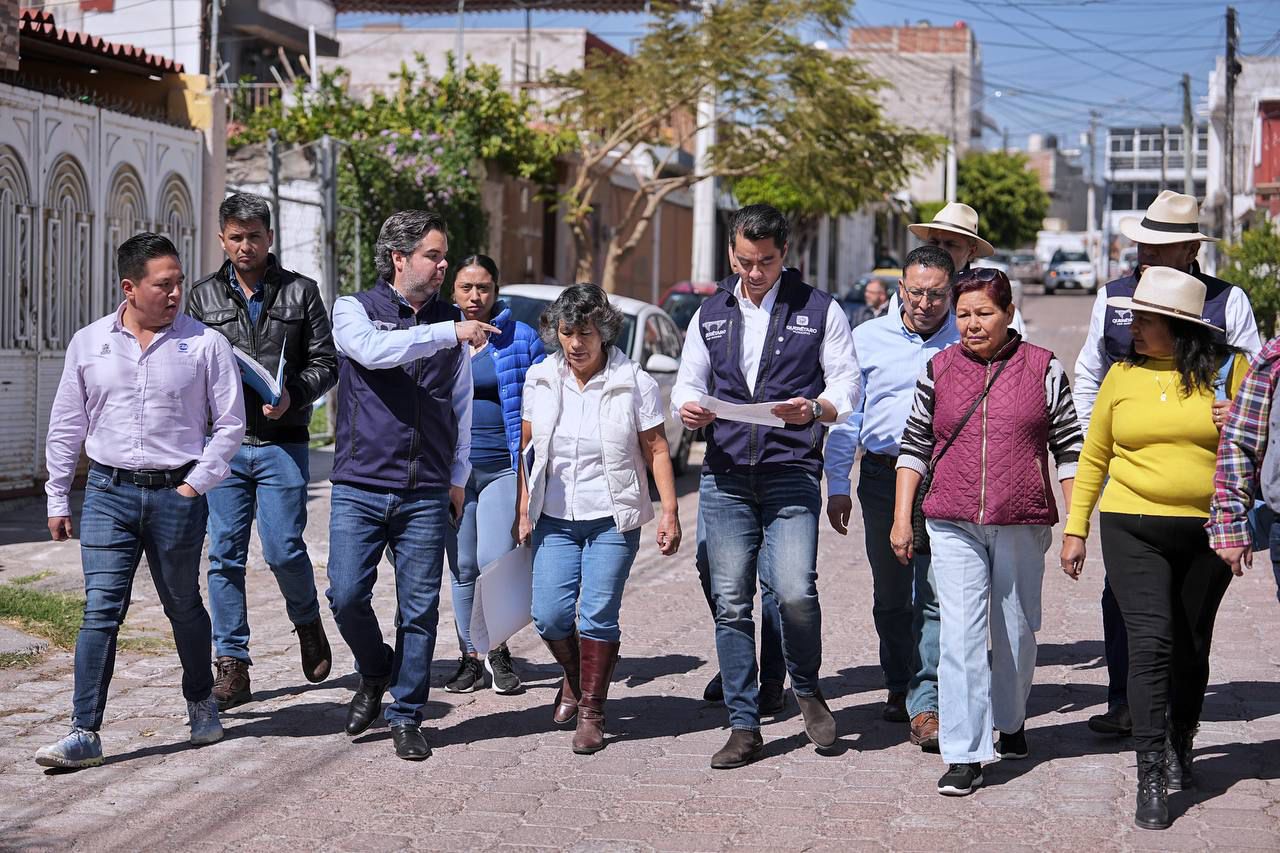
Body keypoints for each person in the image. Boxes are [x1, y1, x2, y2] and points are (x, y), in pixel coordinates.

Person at [36, 233, 246, 769]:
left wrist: (193, 485)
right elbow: (67, 423)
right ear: (130, 288)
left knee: (182, 604)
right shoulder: (88, 342)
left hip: (177, 495)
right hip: (107, 493)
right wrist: (58, 494)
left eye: (178, 282)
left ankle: (202, 703)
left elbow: (229, 426)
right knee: (100, 611)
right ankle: (84, 730)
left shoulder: (205, 344)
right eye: (164, 284)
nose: (177, 292)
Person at [674, 203, 861, 769]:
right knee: (731, 603)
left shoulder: (820, 310)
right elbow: (689, 378)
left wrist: (818, 408)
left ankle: (806, 687)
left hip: (790, 473)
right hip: (726, 476)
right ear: (732, 253)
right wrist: (689, 408)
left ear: (786, 255)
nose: (754, 273)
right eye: (745, 261)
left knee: (795, 590)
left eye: (766, 262)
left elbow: (847, 383)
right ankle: (744, 723)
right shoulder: (709, 313)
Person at [1060, 267, 1244, 830]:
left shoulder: (1228, 374)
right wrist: (1076, 526)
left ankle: (1180, 744)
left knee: (1190, 647)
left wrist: (1234, 422)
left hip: (1205, 530)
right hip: (1130, 522)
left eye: (1143, 319)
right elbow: (1094, 456)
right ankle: (1148, 775)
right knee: (1151, 644)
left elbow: (1262, 444)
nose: (1132, 326)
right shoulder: (1121, 374)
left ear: (1178, 326)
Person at [1072, 189, 1260, 737]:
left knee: (1187, 615)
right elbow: (1089, 371)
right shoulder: (1113, 297)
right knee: (1122, 595)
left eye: (1158, 246)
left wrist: (1239, 411)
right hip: (1130, 476)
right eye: (1141, 244)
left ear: (1188, 251)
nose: (1145, 254)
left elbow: (1256, 382)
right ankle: (1125, 698)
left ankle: (1176, 709)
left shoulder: (1229, 302)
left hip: (1205, 482)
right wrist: (1101, 435)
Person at [891, 268, 1083, 797]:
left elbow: (1070, 448)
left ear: (1009, 313)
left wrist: (1077, 527)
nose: (972, 324)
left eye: (984, 313)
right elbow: (913, 446)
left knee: (1017, 632)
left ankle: (1011, 718)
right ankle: (966, 752)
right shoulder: (939, 368)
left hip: (1020, 518)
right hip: (951, 519)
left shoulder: (1043, 368)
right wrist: (901, 515)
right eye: (964, 314)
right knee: (962, 636)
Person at [326, 210, 497, 761]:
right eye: (433, 255)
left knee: (418, 608)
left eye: (445, 255)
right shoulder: (355, 310)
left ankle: (406, 714)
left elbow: (463, 407)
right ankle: (375, 669)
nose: (445, 264)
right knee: (346, 593)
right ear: (400, 259)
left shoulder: (454, 321)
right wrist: (449, 331)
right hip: (360, 481)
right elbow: (374, 352)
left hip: (426, 487)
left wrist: (457, 478)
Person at [186, 193, 338, 709]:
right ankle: (231, 663)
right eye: (236, 237)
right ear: (222, 239)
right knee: (224, 555)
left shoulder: (301, 292)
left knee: (282, 548)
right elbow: (185, 369)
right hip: (222, 447)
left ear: (270, 237)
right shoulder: (202, 298)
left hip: (282, 443)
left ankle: (306, 622)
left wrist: (293, 393)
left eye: (254, 236)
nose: (245, 245)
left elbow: (326, 362)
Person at [516, 284, 682, 754]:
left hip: (613, 517)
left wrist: (669, 512)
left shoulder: (634, 382)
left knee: (598, 615)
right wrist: (521, 507)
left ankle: (592, 711)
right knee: (548, 616)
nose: (575, 344)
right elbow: (526, 449)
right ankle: (577, 676)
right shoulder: (541, 378)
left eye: (585, 332)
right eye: (566, 333)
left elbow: (656, 449)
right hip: (554, 516)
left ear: (604, 331)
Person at [824, 245, 960, 753]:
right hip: (882, 478)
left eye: (937, 294)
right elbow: (846, 419)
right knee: (891, 594)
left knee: (934, 594)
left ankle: (926, 701)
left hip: (946, 480)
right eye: (916, 292)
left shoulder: (962, 341)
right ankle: (899, 680)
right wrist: (838, 484)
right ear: (902, 288)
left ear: (952, 291)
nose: (925, 303)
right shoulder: (867, 339)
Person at [442, 254, 544, 695]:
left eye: (483, 287)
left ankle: (498, 649)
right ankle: (469, 655)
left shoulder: (519, 339)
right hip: (455, 473)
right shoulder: (441, 338)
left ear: (496, 291)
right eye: (466, 288)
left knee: (492, 561)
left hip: (503, 466)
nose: (474, 296)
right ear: (453, 291)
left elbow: (542, 398)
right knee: (462, 566)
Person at [897, 202, 1027, 337]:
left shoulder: (991, 297)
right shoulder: (903, 296)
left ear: (971, 251)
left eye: (950, 244)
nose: (940, 250)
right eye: (934, 242)